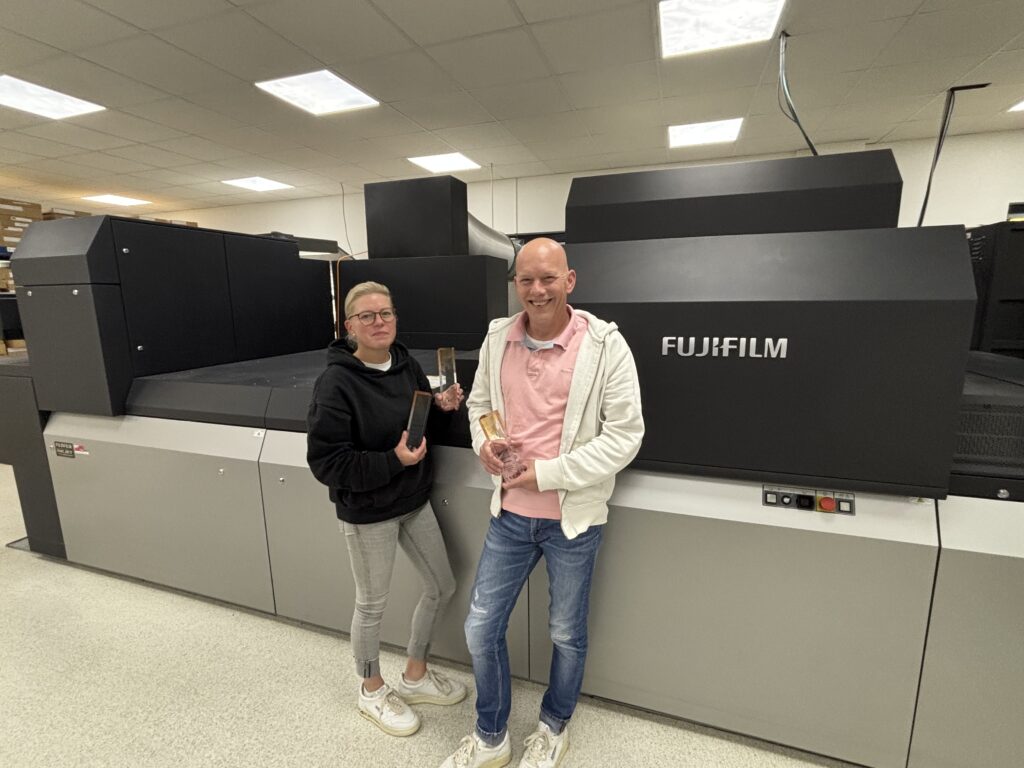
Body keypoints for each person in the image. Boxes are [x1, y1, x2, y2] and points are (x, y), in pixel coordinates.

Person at [440, 239, 645, 768]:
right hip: (508, 514)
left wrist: (547, 474)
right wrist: (486, 443)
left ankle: (554, 726)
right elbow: (481, 404)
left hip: (572, 522)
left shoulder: (604, 346)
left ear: (570, 280)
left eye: (548, 278)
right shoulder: (496, 340)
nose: (537, 289)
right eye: (526, 280)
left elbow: (625, 436)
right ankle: (491, 735)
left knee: (565, 634)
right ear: (515, 285)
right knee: (480, 627)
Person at [307, 280, 468, 738]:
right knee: (372, 604)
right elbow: (327, 463)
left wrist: (440, 406)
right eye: (367, 316)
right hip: (369, 509)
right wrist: (392, 461)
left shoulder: (405, 364)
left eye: (387, 314)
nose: (379, 323)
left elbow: (416, 422)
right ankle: (371, 689)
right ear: (349, 325)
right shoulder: (335, 383)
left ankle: (414, 675)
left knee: (442, 584)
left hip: (413, 501)